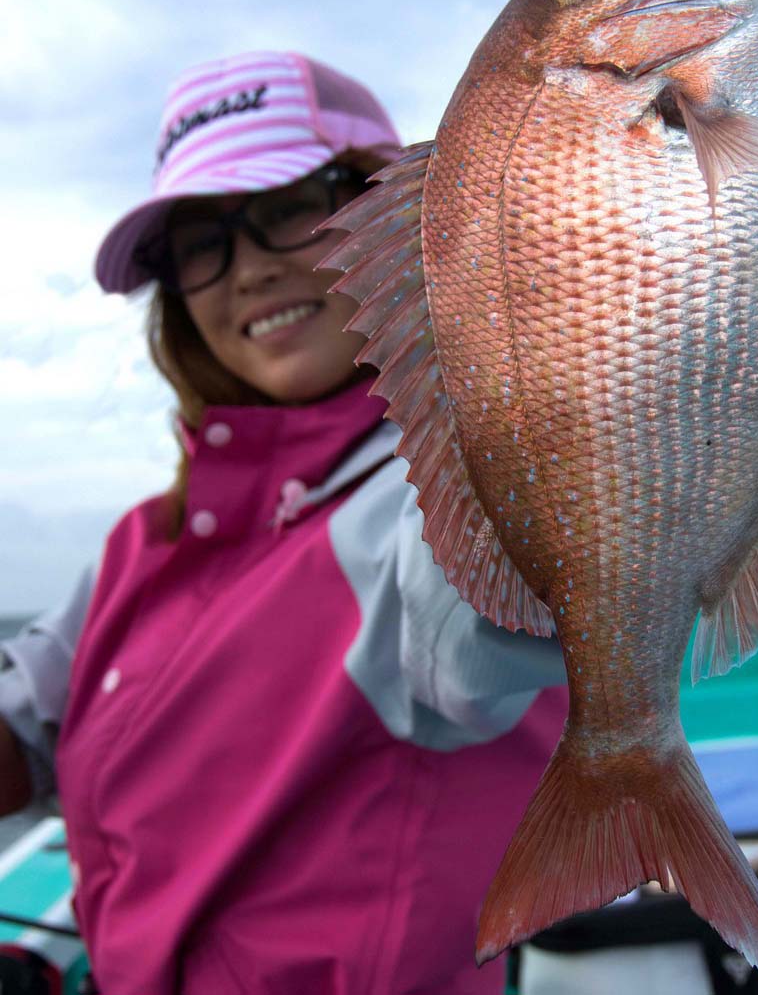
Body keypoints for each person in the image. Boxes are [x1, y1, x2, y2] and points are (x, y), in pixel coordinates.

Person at [0, 50, 568, 995]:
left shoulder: (424, 500)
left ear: (400, 219)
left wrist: (643, 195)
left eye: (292, 207)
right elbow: (27, 732)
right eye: (200, 241)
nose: (253, 269)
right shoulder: (146, 541)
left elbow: (488, 610)